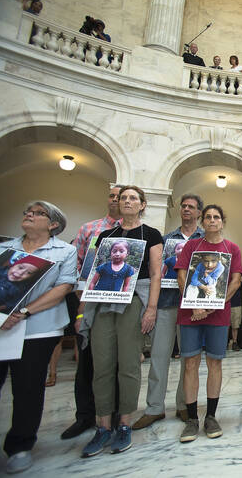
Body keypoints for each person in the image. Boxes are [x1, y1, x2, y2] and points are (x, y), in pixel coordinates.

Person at [0, 201, 77, 474]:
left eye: (38, 213)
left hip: (38, 328)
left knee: (28, 388)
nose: (29, 215)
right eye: (27, 211)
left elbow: (63, 286)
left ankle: (20, 446)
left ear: (53, 224)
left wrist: (24, 312)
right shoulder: (0, 249)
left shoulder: (65, 250)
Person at [78, 186, 163, 457]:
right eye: (122, 198)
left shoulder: (151, 235)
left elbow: (155, 273)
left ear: (142, 205)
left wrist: (151, 308)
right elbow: (92, 273)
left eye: (133, 198)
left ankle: (124, 423)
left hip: (133, 302)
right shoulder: (105, 236)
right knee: (101, 364)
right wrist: (82, 311)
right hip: (103, 303)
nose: (126, 201)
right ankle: (103, 425)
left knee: (128, 364)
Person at [132, 194, 204, 430]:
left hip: (192, 306)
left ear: (199, 212)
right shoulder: (166, 239)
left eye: (191, 207)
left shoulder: (204, 239)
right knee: (159, 357)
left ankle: (184, 404)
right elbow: (156, 271)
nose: (186, 209)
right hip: (165, 301)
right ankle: (154, 408)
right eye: (183, 206)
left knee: (189, 357)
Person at [175, 205, 242, 443]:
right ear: (202, 221)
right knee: (191, 363)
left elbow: (235, 281)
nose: (212, 220)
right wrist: (193, 301)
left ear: (222, 222)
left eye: (216, 217)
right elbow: (182, 275)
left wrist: (216, 303)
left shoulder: (232, 249)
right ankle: (192, 419)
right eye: (208, 217)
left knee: (215, 363)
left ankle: (211, 416)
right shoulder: (191, 246)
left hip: (218, 314)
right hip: (191, 313)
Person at [61, 186, 122, 440]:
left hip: (122, 305)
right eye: (114, 196)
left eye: (125, 196)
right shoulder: (89, 229)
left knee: (119, 363)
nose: (118, 200)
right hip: (90, 303)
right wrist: (80, 308)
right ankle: (84, 416)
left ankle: (116, 415)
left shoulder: (141, 234)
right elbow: (78, 269)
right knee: (86, 361)